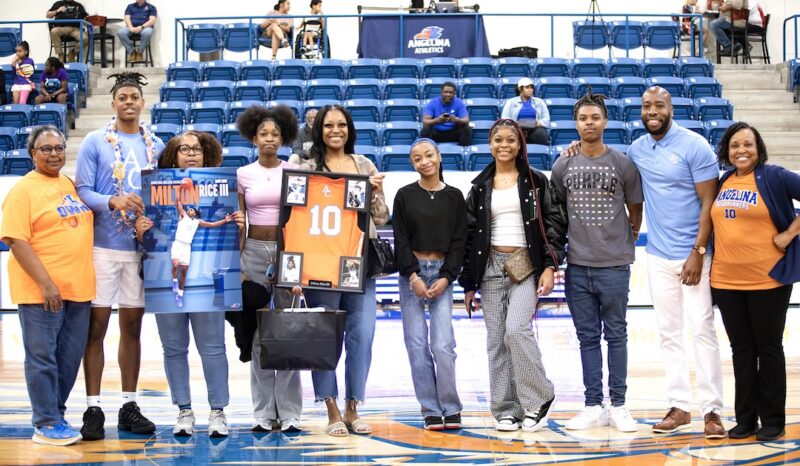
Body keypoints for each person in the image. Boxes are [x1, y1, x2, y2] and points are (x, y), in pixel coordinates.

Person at [562, 86, 725, 438]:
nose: (653, 111)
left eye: (659, 105)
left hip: (694, 255)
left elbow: (709, 203)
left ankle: (712, 409)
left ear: (671, 108)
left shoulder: (694, 145)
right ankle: (680, 406)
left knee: (702, 330)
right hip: (657, 255)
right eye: (647, 105)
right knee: (668, 333)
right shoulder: (637, 149)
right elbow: (603, 166)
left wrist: (698, 252)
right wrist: (574, 148)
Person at [458, 118, 567, 433]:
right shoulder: (479, 187)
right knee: (496, 340)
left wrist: (549, 265)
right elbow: (468, 235)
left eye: (511, 140)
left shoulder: (536, 182)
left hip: (525, 264)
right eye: (497, 140)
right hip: (490, 265)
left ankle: (540, 398)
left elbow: (554, 225)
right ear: (490, 145)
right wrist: (467, 284)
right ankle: (507, 409)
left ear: (520, 145)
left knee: (516, 331)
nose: (504, 145)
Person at [75, 72, 165, 441]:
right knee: (95, 329)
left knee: (132, 329)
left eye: (134, 97)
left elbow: (164, 193)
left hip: (139, 251)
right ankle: (93, 407)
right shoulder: (95, 142)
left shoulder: (156, 144)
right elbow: (81, 190)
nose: (129, 102)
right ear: (113, 103)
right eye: (122, 97)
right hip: (101, 248)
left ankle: (129, 404)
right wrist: (111, 200)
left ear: (143, 102)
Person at [134, 131, 241, 438]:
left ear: (206, 153)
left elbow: (224, 232)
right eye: (185, 149)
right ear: (174, 154)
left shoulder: (221, 189)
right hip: (166, 267)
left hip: (208, 273)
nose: (191, 153)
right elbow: (148, 236)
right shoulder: (157, 190)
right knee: (173, 348)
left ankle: (218, 411)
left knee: (213, 348)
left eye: (197, 149)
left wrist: (237, 225)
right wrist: (141, 232)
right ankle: (184, 410)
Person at [550, 93, 643, 433]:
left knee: (616, 335)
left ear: (605, 122)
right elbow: (556, 210)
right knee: (587, 337)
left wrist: (626, 237)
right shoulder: (563, 164)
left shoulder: (622, 163)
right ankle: (593, 405)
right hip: (577, 265)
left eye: (595, 117)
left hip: (615, 265)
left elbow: (635, 208)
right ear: (576, 124)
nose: (589, 123)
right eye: (583, 118)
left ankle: (618, 405)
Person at [296, 104, 389, 437]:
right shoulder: (304, 166)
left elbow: (380, 217)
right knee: (324, 336)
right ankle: (331, 406)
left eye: (341, 125)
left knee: (362, 336)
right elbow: (293, 217)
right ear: (318, 129)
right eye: (328, 125)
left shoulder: (364, 164)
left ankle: (353, 406)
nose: (335, 130)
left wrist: (375, 192)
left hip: (359, 263)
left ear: (350, 129)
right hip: (321, 264)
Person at [1, 126, 94, 446]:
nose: (54, 154)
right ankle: (45, 421)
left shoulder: (68, 183)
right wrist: (47, 284)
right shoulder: (23, 190)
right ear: (32, 154)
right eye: (46, 149)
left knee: (68, 358)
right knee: (42, 358)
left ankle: (57, 414)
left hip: (79, 288)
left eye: (58, 148)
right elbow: (15, 240)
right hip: (42, 291)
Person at [710, 122, 800, 442]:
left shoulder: (774, 176)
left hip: (768, 281)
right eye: (735, 145)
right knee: (741, 351)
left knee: (769, 349)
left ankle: (773, 420)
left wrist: (789, 234)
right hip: (726, 280)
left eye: (748, 144)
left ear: (758, 148)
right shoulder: (723, 181)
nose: (741, 150)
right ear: (727, 151)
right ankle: (745, 419)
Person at [236, 104, 303, 433]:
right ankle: (263, 412)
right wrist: (240, 266)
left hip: (287, 251)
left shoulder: (293, 171)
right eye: (263, 133)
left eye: (275, 134)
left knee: (288, 332)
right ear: (253, 137)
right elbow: (239, 223)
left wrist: (291, 260)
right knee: (259, 335)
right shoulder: (242, 174)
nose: (269, 139)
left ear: (284, 137)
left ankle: (289, 411)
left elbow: (299, 219)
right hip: (252, 252)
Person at [392, 138, 467, 431]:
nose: (423, 162)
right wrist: (412, 276)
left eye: (428, 155)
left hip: (443, 274)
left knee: (443, 344)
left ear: (438, 157)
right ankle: (430, 408)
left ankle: (450, 406)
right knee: (416, 343)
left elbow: (460, 241)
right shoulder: (404, 195)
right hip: (412, 273)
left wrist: (447, 276)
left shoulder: (455, 197)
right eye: (416, 158)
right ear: (412, 164)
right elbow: (400, 239)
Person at [169, 192, 234, 309]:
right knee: (175, 264)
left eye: (192, 210)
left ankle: (180, 295)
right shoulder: (183, 216)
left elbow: (213, 224)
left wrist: (225, 220)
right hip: (178, 244)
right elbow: (178, 203)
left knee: (184, 271)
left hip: (187, 247)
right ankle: (174, 281)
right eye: (188, 209)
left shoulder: (198, 222)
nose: (189, 210)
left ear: (195, 213)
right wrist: (179, 191)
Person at [500, 77, 550, 146]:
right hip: (517, 130)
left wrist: (533, 124)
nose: (530, 90)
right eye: (527, 87)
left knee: (541, 133)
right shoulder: (510, 102)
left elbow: (546, 120)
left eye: (531, 88)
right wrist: (519, 124)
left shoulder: (539, 102)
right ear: (520, 89)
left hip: (535, 130)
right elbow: (504, 120)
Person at [421, 82, 472, 147]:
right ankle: (428, 149)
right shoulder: (433, 103)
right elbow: (425, 121)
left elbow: (466, 120)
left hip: (453, 133)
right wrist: (437, 120)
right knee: (426, 129)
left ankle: (463, 150)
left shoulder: (459, 103)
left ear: (454, 93)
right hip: (437, 133)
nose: (448, 94)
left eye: (451, 93)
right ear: (441, 92)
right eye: (445, 92)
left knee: (466, 128)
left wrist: (456, 119)